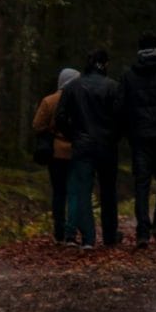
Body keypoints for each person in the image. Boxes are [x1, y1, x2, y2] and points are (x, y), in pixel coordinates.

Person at [118, 30, 156, 249]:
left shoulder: (129, 75)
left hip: (139, 137)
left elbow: (122, 107)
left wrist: (128, 132)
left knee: (142, 184)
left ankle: (142, 231)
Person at [55, 49, 123, 249]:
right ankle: (110, 236)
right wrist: (114, 137)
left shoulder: (73, 87)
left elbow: (60, 117)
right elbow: (121, 118)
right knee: (108, 191)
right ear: (105, 64)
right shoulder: (113, 87)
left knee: (83, 191)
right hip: (107, 146)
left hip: (82, 145)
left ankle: (88, 238)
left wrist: (73, 135)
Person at [31, 67, 81, 244]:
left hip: (56, 152)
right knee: (76, 192)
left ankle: (59, 231)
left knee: (59, 193)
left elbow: (37, 125)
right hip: (77, 151)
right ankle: (72, 232)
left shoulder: (49, 101)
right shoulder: (80, 100)